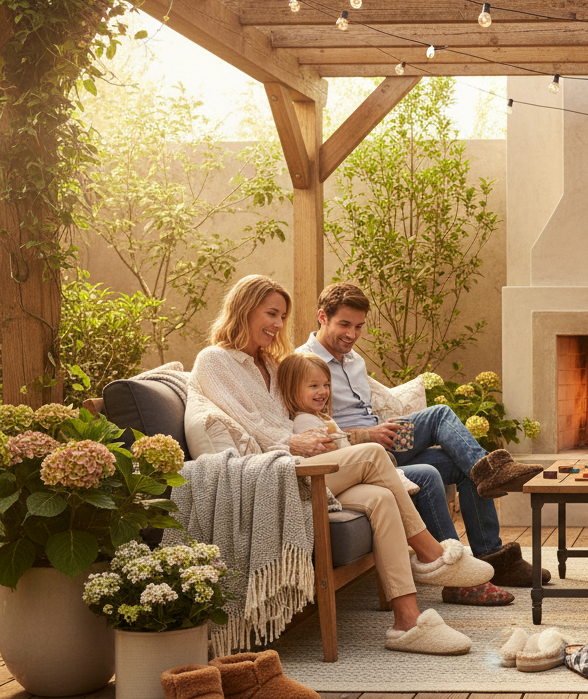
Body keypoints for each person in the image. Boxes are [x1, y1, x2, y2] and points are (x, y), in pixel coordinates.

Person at [188, 274, 505, 656]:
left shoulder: (272, 365)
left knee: (380, 500)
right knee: (373, 454)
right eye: (270, 314)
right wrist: (293, 440)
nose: (277, 325)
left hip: (306, 461)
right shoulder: (214, 361)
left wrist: (319, 435)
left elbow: (294, 414)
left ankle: (408, 624)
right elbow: (250, 425)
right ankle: (433, 555)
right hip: (275, 474)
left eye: (282, 317)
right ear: (244, 308)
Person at [295, 283, 548, 589]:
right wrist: (364, 434)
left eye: (359, 326)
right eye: (344, 325)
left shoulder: (355, 361)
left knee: (465, 467)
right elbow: (309, 425)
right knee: (439, 416)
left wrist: (382, 426)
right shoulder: (303, 362)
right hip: (357, 455)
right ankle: (458, 573)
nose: (352, 334)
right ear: (322, 317)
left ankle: (493, 556)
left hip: (387, 444)